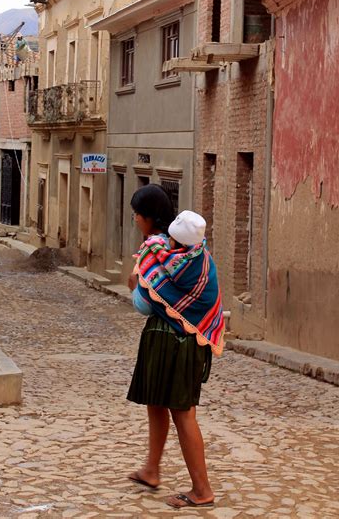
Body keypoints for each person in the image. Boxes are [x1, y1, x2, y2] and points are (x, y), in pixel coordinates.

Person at [127, 187, 225, 509]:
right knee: (156, 404)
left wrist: (137, 280)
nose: (136, 219)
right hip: (170, 341)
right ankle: (151, 469)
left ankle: (202, 490)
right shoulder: (199, 260)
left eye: (137, 214)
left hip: (177, 343)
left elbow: (144, 299)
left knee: (183, 413)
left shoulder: (167, 257)